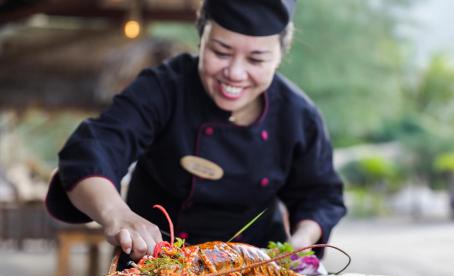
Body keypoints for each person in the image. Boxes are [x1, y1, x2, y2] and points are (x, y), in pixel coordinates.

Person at [45, 0, 346, 261]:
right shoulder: (163, 88)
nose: (235, 73)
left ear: (281, 54)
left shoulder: (298, 115)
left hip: (254, 272)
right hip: (156, 265)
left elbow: (320, 195)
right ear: (201, 37)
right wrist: (117, 214)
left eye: (256, 59)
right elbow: (93, 150)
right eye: (221, 51)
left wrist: (302, 239)